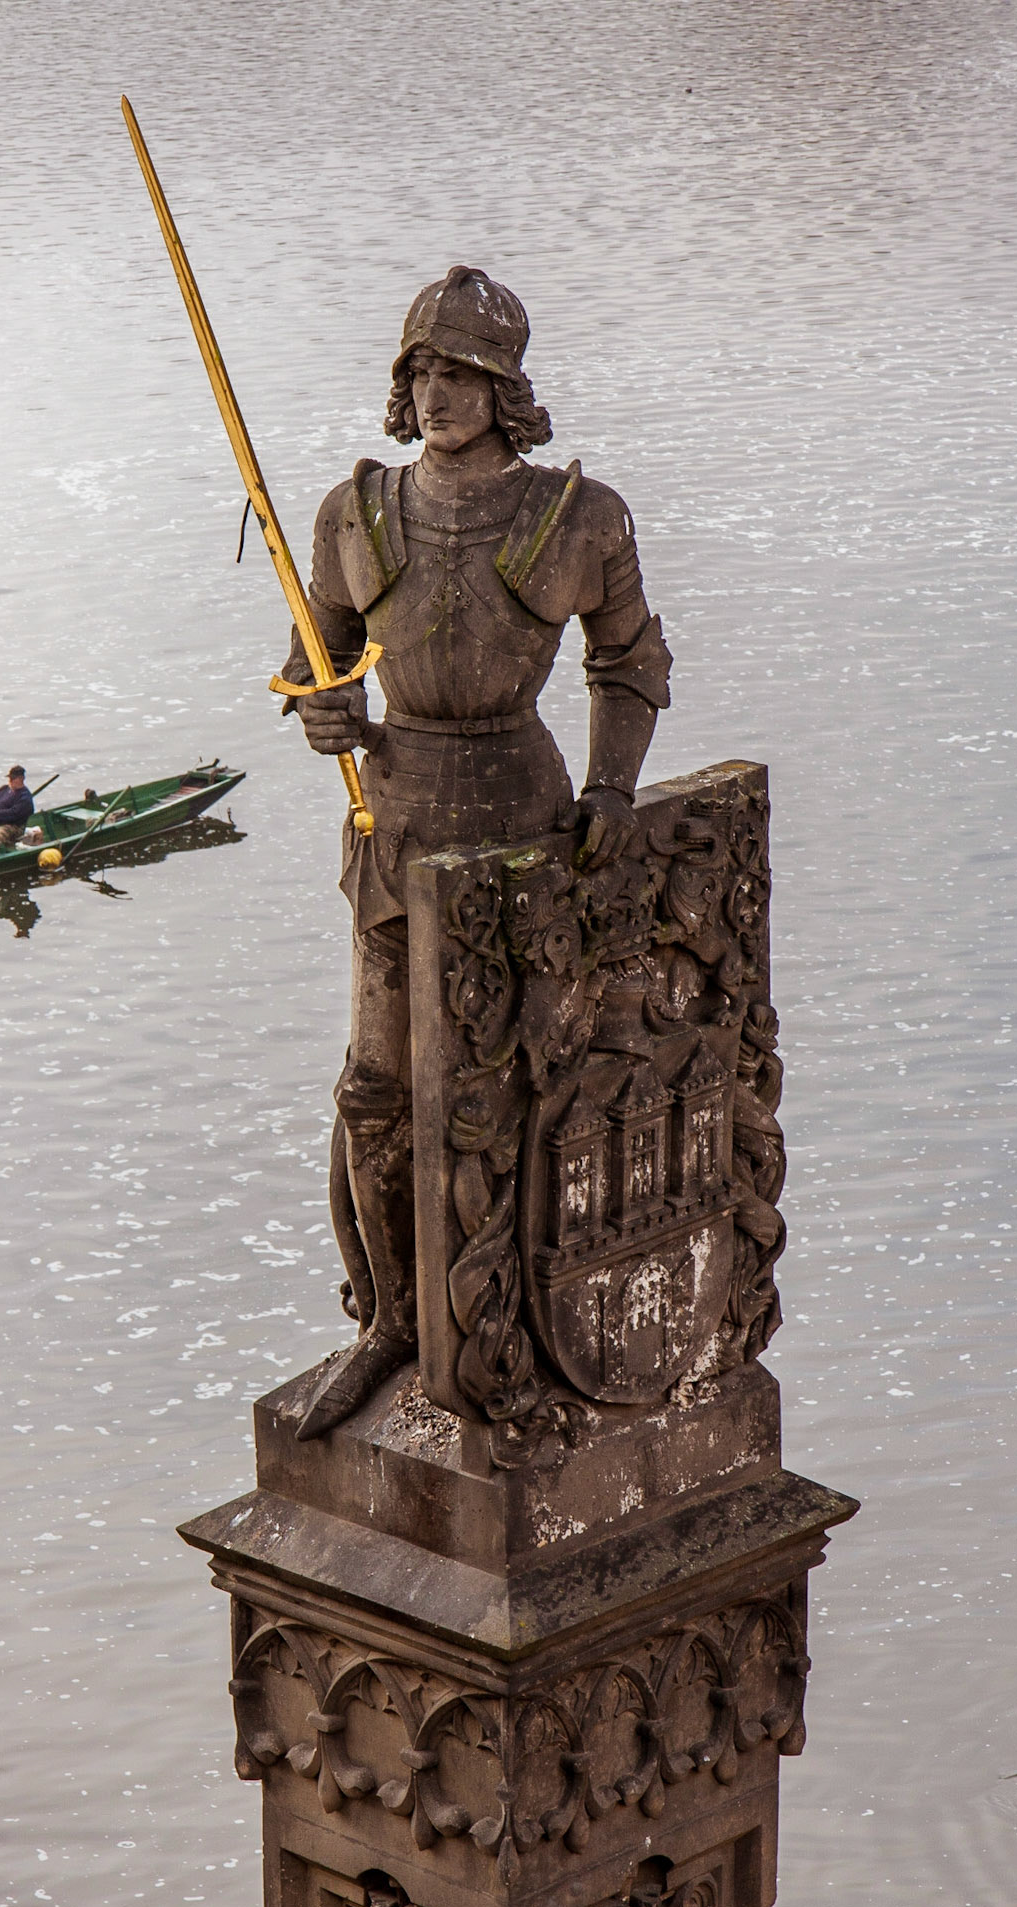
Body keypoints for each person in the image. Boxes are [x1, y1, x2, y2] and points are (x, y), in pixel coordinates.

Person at [283, 266, 672, 1439]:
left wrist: (612, 787)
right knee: (377, 1093)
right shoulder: (354, 512)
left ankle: (521, 1325)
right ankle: (392, 1324)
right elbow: (315, 660)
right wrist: (326, 710)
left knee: (524, 1090)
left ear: (507, 389)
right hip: (396, 824)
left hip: (523, 825)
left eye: (463, 373)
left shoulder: (580, 517)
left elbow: (629, 663)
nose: (439, 394)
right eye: (423, 372)